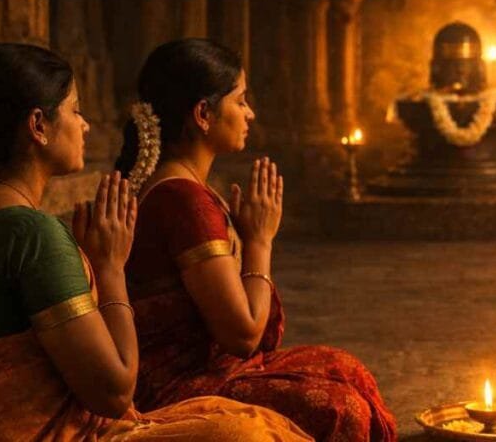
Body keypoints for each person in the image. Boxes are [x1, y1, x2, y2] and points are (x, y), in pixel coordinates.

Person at [0, 43, 311, 441]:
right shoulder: (30, 233)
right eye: (75, 110)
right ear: (38, 125)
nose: (85, 125)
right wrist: (109, 269)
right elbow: (116, 389)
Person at [115, 38, 396, 441]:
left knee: (345, 369)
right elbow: (243, 335)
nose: (250, 113)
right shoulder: (183, 199)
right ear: (203, 114)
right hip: (182, 387)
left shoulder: (187, 188)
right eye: (241, 101)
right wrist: (261, 242)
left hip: (211, 370)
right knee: (341, 408)